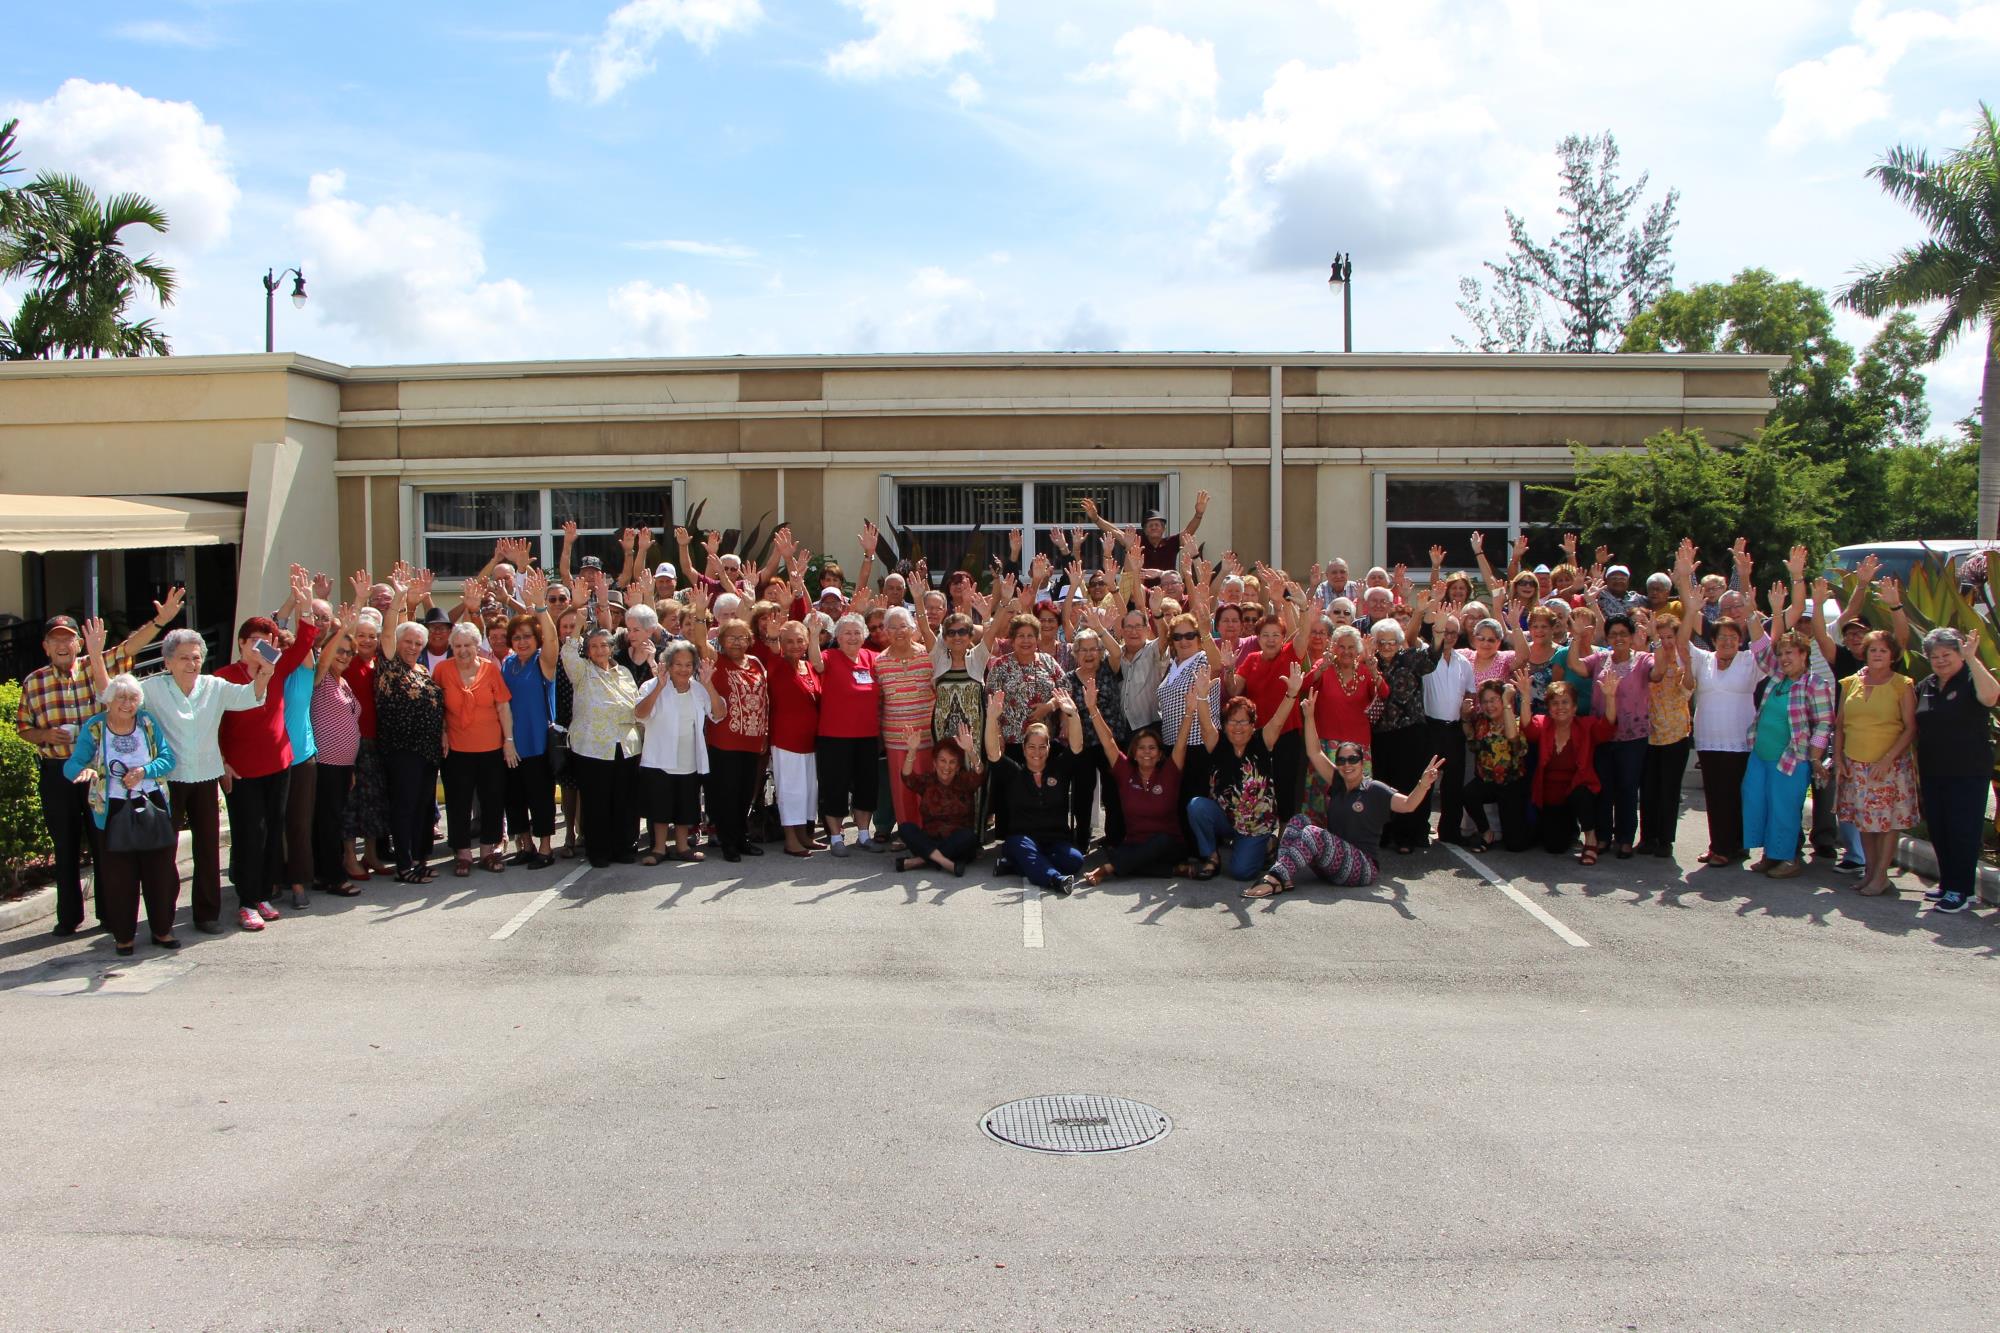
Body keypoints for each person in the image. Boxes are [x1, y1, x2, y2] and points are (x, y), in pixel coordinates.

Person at [83, 614, 270, 934]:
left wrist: (266, 670)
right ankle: (162, 919)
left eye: (197, 657)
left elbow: (249, 697)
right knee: (163, 851)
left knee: (208, 849)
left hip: (205, 776)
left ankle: (206, 914)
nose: (192, 663)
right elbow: (112, 694)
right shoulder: (153, 688)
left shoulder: (214, 686)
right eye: (183, 658)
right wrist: (98, 655)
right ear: (168, 661)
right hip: (165, 780)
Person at [18, 596, 176, 937]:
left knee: (105, 840)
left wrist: (161, 622)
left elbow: (130, 646)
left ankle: (109, 913)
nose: (62, 645)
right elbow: (24, 729)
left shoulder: (96, 666)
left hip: (102, 774)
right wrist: (45, 733)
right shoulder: (33, 682)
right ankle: (69, 917)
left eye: (68, 638)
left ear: (78, 643)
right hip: (58, 770)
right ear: (45, 646)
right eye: (55, 640)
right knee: (65, 845)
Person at [217, 568, 319, 931]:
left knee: (273, 830)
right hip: (243, 771)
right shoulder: (223, 678)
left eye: (266, 642)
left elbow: (307, 640)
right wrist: (222, 763)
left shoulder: (276, 669)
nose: (259, 647)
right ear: (242, 643)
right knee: (249, 834)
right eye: (253, 641)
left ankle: (262, 894)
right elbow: (214, 726)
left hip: (279, 764)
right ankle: (246, 901)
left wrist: (305, 603)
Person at [1245, 726, 1444, 898]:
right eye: (1341, 761)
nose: (1347, 765)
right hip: (1331, 865)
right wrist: (1309, 713)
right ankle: (1284, 878)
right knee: (1298, 821)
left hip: (1362, 867)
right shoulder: (1338, 783)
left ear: (1361, 761)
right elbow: (1315, 752)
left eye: (1352, 759)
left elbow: (1409, 804)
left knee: (1314, 833)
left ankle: (1275, 877)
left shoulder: (1374, 789)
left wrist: (1423, 784)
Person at [61, 673, 179, 956]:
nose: (127, 704)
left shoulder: (148, 722)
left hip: (151, 802)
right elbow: (72, 764)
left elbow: (168, 758)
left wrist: (143, 771)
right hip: (111, 808)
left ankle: (162, 930)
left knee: (160, 871)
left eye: (133, 698)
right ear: (109, 700)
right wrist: (83, 770)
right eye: (121, 698)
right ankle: (124, 936)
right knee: (119, 877)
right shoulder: (95, 727)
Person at [1674, 552, 1764, 867]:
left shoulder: (1750, 661)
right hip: (1709, 740)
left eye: (1732, 637)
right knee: (1715, 795)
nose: (1726, 641)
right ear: (1713, 640)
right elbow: (1682, 641)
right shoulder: (1704, 659)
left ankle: (1734, 846)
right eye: (1721, 637)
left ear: (1740, 641)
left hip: (1740, 741)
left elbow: (1766, 643)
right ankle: (1719, 845)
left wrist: (1750, 607)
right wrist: (1686, 587)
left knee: (1736, 794)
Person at [1076, 674, 1197, 885]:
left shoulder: (1170, 771)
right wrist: (1092, 709)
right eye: (1141, 748)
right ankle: (1169, 870)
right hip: (1134, 845)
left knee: (1158, 843)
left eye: (1152, 748)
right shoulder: (1125, 770)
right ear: (1134, 752)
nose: (1146, 753)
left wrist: (1189, 712)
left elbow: (1180, 745)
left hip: (1168, 844)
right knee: (1128, 854)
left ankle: (1108, 868)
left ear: (1160, 754)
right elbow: (1109, 742)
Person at [1912, 628, 1999, 913]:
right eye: (1934, 656)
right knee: (1940, 828)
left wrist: (1973, 659)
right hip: (1934, 769)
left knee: (1963, 829)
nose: (1940, 660)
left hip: (1968, 770)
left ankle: (1961, 890)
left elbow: (1991, 697)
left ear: (1959, 653)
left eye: (1946, 654)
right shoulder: (1927, 684)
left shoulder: (1972, 678)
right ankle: (1949, 883)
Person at [1187, 665, 1302, 881]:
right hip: (1226, 818)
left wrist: (1291, 694)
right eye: (1232, 721)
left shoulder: (1262, 740)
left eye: (1243, 721)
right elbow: (1204, 726)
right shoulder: (1217, 742)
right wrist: (1202, 697)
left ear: (1252, 724)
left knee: (1241, 873)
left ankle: (1267, 844)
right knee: (1196, 806)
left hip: (1256, 823)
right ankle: (1211, 857)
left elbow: (1278, 721)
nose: (1237, 727)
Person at [1741, 630, 1835, 880]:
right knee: (1758, 803)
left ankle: (1788, 858)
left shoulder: (1815, 684)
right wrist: (1752, 614)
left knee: (1784, 809)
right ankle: (1771, 854)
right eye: (1781, 653)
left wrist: (1815, 757)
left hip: (1791, 758)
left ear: (1804, 654)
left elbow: (1825, 723)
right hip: (1760, 755)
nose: (1784, 658)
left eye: (1790, 653)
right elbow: (1761, 652)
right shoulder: (1777, 677)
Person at [1834, 629, 1919, 897]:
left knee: (1886, 823)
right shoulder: (1851, 683)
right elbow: (1840, 726)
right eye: (1873, 650)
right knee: (1865, 822)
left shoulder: (1902, 684)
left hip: (1889, 767)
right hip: (1855, 764)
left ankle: (1881, 876)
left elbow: (1910, 728)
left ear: (1892, 655)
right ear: (1865, 654)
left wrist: (1887, 759)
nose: (1878, 654)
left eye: (1883, 650)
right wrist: (1838, 758)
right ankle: (1870, 872)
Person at [984, 686, 1088, 895]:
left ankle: (1014, 865)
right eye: (1031, 747)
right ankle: (1055, 879)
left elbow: (1076, 746)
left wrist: (1073, 714)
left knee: (1075, 860)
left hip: (1055, 841)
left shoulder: (1059, 770)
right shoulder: (1014, 773)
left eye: (1042, 746)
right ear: (1023, 749)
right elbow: (993, 753)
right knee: (1023, 849)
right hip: (1022, 840)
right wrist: (991, 718)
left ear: (1049, 748)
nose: (1037, 752)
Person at [563, 624, 643, 869]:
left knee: (625, 800)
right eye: (593, 646)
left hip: (627, 745)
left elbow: (635, 704)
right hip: (592, 747)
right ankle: (598, 851)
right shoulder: (582, 671)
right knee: (596, 802)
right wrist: (577, 623)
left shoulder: (625, 673)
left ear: (612, 648)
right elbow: (567, 653)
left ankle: (624, 847)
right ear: (587, 651)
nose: (599, 650)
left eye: (604, 645)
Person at [440, 620, 516, 877]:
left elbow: (503, 706)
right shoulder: (442, 670)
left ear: (477, 646)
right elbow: (435, 707)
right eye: (458, 645)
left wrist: (508, 742)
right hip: (457, 749)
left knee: (492, 799)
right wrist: (441, 733)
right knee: (458, 802)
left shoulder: (490, 669)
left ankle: (488, 850)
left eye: (468, 645)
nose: (463, 650)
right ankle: (462, 853)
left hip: (491, 747)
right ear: (452, 647)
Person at [634, 642, 720, 863]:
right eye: (678, 664)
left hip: (688, 759)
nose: (683, 669)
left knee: (686, 806)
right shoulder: (651, 685)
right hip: (658, 759)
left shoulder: (699, 689)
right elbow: (640, 714)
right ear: (668, 666)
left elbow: (719, 713)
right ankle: (659, 849)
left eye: (688, 665)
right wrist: (659, 688)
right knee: (660, 807)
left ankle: (683, 848)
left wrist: (709, 684)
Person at [377, 620, 446, 884]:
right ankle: (404, 866)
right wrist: (400, 597)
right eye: (408, 641)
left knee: (423, 807)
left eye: (418, 643)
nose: (413, 647)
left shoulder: (423, 670)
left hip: (428, 750)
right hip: (402, 749)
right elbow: (386, 635)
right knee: (404, 807)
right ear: (397, 643)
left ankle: (419, 859)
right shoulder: (390, 666)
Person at [810, 611, 884, 856]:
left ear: (863, 635)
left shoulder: (872, 658)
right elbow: (816, 662)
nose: (852, 637)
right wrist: (812, 634)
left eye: (856, 632)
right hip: (834, 736)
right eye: (846, 633)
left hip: (866, 736)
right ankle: (835, 837)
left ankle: (864, 834)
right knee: (835, 787)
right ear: (837, 637)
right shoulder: (829, 656)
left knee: (866, 786)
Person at [1520, 675, 1616, 863]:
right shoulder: (1543, 723)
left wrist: (1611, 697)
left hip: (1577, 790)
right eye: (1555, 703)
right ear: (1549, 708)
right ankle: (1571, 828)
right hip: (1550, 796)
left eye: (1565, 702)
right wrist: (1525, 696)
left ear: (1574, 707)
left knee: (1581, 793)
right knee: (1554, 847)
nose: (1560, 707)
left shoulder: (1585, 725)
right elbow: (1527, 729)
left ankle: (1590, 840)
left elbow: (1607, 728)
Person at [697, 616, 769, 862]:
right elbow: (699, 640)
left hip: (752, 741)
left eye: (742, 637)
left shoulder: (757, 663)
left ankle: (741, 838)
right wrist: (699, 612)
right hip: (725, 742)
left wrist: (765, 733)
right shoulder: (718, 661)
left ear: (750, 640)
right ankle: (728, 842)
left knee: (745, 793)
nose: (737, 642)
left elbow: (764, 701)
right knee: (726, 793)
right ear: (721, 641)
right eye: (731, 637)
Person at [307, 609, 365, 898]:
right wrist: (343, 628)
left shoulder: (344, 682)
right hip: (326, 763)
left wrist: (351, 767)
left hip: (343, 766)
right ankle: (332, 876)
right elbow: (325, 656)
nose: (344, 656)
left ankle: (321, 874)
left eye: (349, 653)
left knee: (329, 819)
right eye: (340, 651)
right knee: (329, 822)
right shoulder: (321, 678)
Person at [503, 577, 561, 868]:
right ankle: (524, 845)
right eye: (516, 637)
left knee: (540, 798)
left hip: (537, 742)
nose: (522, 641)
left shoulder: (543, 660)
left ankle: (545, 848)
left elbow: (553, 639)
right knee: (514, 797)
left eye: (527, 636)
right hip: (510, 744)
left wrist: (540, 607)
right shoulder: (508, 664)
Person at [1590, 613, 1654, 858]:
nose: (1618, 638)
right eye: (1613, 634)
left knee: (1628, 788)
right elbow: (1575, 665)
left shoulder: (1643, 659)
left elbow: (1657, 673)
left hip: (1633, 736)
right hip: (1603, 733)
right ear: (1606, 637)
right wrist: (1577, 636)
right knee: (1604, 787)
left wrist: (1655, 637)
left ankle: (1625, 838)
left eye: (1623, 634)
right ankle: (1604, 836)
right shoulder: (1600, 659)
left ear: (1631, 637)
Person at [876, 606, 938, 843]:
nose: (899, 631)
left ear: (913, 629)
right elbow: (879, 701)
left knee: (926, 786)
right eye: (893, 627)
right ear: (886, 631)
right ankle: (907, 834)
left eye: (903, 626)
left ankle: (928, 832)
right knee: (901, 790)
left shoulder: (928, 656)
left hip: (926, 738)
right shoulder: (879, 663)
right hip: (895, 739)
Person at [894, 724, 986, 875]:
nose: (947, 767)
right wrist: (911, 751)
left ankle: (919, 861)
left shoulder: (964, 781)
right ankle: (945, 863)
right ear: (935, 763)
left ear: (958, 767)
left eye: (952, 762)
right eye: (942, 761)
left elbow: (980, 773)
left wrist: (970, 750)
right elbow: (907, 778)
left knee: (968, 837)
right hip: (930, 840)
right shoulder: (928, 781)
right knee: (905, 828)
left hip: (958, 845)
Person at [1639, 614, 1694, 858]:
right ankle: (1647, 837)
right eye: (1660, 637)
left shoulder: (1683, 662)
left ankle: (1665, 840)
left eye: (1669, 636)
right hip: (1649, 734)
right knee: (1648, 789)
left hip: (1676, 734)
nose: (1665, 642)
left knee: (1669, 790)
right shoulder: (1650, 662)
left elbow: (1689, 688)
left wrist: (1689, 665)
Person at [1065, 625, 1126, 846]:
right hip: (1085, 744)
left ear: (1100, 652)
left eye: (1094, 649)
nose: (1089, 654)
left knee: (1113, 792)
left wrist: (1100, 628)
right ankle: (1081, 838)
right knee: (1083, 791)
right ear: (1075, 654)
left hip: (1111, 741)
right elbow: (1064, 708)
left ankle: (1115, 838)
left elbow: (1118, 652)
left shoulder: (1109, 668)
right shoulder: (1069, 679)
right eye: (1084, 650)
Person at [767, 620, 823, 857]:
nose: (794, 645)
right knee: (790, 790)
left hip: (810, 741)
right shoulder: (777, 665)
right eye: (788, 641)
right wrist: (772, 637)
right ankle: (791, 839)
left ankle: (803, 835)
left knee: (807, 791)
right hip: (786, 740)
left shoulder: (808, 666)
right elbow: (770, 650)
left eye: (799, 640)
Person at [1460, 679, 1531, 851]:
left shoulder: (1516, 721)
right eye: (1485, 701)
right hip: (1488, 782)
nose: (1489, 706)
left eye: (1494, 700)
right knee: (1468, 793)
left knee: (1515, 846)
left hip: (1512, 784)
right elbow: (1471, 741)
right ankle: (1485, 833)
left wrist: (1507, 702)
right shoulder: (1481, 723)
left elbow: (1514, 742)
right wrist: (1465, 717)